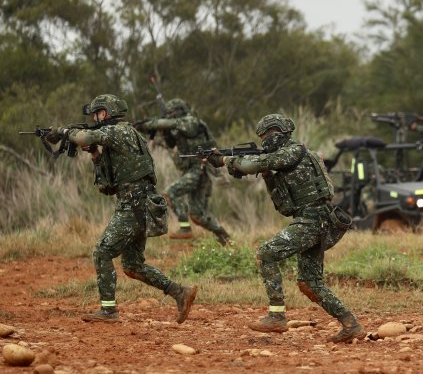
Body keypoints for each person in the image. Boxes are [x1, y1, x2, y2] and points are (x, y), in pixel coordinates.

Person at [207, 114, 365, 343]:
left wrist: (224, 160)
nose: (264, 141)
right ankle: (351, 325)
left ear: (280, 133)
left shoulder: (292, 152)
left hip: (311, 220)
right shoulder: (298, 153)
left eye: (267, 136)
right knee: (310, 283)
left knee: (267, 254)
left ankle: (276, 316)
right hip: (318, 219)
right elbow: (262, 166)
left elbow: (255, 164)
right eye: (262, 138)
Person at [47, 94, 197, 323]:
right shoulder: (120, 137)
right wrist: (95, 155)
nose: (95, 118)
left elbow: (86, 134)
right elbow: (107, 186)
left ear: (105, 113)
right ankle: (180, 292)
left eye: (96, 114)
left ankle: (108, 311)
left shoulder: (120, 131)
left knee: (102, 252)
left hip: (134, 204)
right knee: (133, 265)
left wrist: (64, 132)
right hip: (137, 203)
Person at [138, 98, 231, 245]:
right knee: (197, 215)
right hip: (193, 170)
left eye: (171, 113)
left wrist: (154, 122)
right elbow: (169, 140)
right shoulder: (177, 128)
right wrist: (148, 128)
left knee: (170, 193)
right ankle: (224, 236)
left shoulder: (191, 121)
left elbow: (173, 124)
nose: (169, 117)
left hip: (200, 168)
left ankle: (185, 228)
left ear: (178, 111)